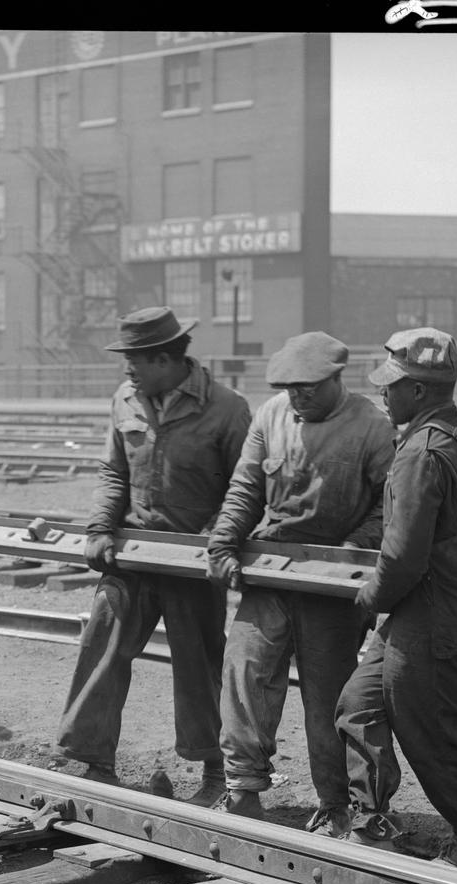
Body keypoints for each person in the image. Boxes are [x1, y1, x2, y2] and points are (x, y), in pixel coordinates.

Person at [335, 327, 457, 870]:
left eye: (391, 385)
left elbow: (403, 560)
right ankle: (372, 819)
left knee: (431, 728)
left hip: (442, 614)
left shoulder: (421, 453)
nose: (382, 394)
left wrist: (369, 596)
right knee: (359, 703)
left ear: (418, 391)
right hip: (433, 603)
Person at [56, 306, 250, 794]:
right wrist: (100, 528)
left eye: (135, 360)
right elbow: (113, 472)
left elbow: (244, 489)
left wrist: (214, 540)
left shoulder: (226, 409)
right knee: (102, 647)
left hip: (191, 563)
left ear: (165, 359)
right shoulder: (126, 399)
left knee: (200, 665)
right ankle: (93, 761)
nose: (127, 370)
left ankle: (214, 772)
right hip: (132, 557)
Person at [205, 332, 396, 827]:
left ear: (336, 378)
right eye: (290, 387)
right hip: (271, 575)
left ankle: (338, 805)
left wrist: (354, 549)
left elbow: (390, 505)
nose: (298, 396)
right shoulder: (270, 416)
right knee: (244, 674)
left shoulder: (372, 427)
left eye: (308, 387)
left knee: (328, 698)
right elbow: (246, 486)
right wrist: (225, 542)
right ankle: (243, 790)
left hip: (332, 586)